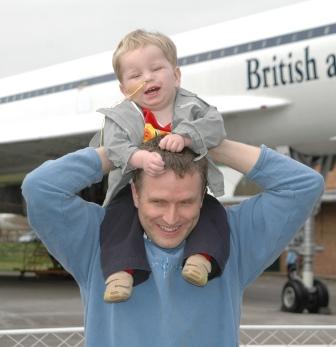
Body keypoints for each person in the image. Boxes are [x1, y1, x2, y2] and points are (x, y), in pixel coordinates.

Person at [22, 137, 324, 346]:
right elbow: (40, 189)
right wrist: (122, 150)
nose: (171, 217)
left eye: (186, 203)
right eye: (158, 202)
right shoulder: (94, 239)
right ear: (136, 195)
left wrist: (211, 143)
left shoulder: (234, 239)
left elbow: (304, 185)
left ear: (204, 197)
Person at [89, 29, 228, 302]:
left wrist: (187, 136)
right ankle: (120, 273)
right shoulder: (120, 116)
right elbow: (113, 147)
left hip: (187, 187)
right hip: (135, 189)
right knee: (118, 218)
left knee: (213, 213)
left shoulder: (194, 106)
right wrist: (137, 157)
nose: (147, 78)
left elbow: (216, 127)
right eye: (135, 75)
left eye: (156, 69)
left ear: (176, 75)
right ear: (123, 89)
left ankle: (201, 260)